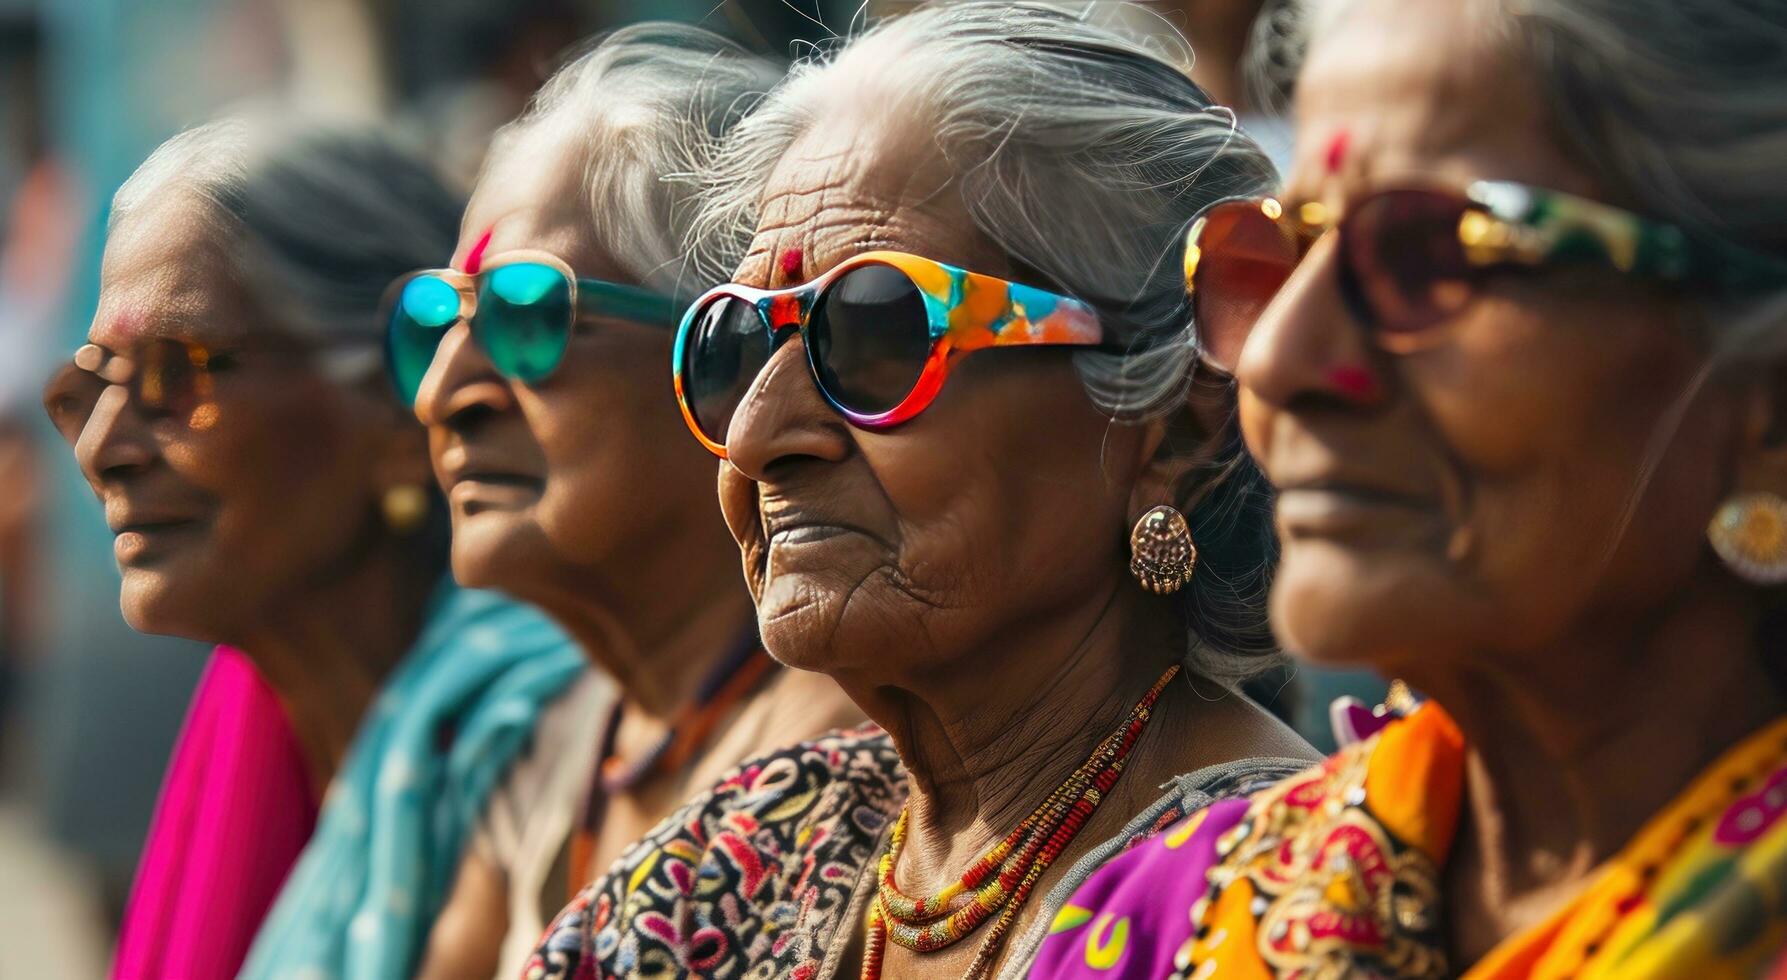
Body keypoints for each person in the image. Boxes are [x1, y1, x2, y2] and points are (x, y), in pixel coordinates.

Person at [525, 6, 1318, 979]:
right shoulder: (734, 862)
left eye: (878, 333)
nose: (757, 435)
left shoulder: (1271, 898)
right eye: (735, 343)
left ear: (1171, 421)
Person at [1031, 0, 1787, 975]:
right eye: (1274, 256)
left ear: (1764, 411)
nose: (1275, 360)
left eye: (1429, 253)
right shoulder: (1152, 926)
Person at [41, 118, 585, 980]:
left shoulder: (556, 763)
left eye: (174, 375)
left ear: (401, 403)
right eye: (88, 387)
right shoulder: (260, 749)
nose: (102, 448)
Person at [399, 25, 865, 980]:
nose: (444, 390)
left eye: (529, 315)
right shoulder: (561, 740)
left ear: (729, 359)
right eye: (435, 320)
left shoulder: (842, 749)